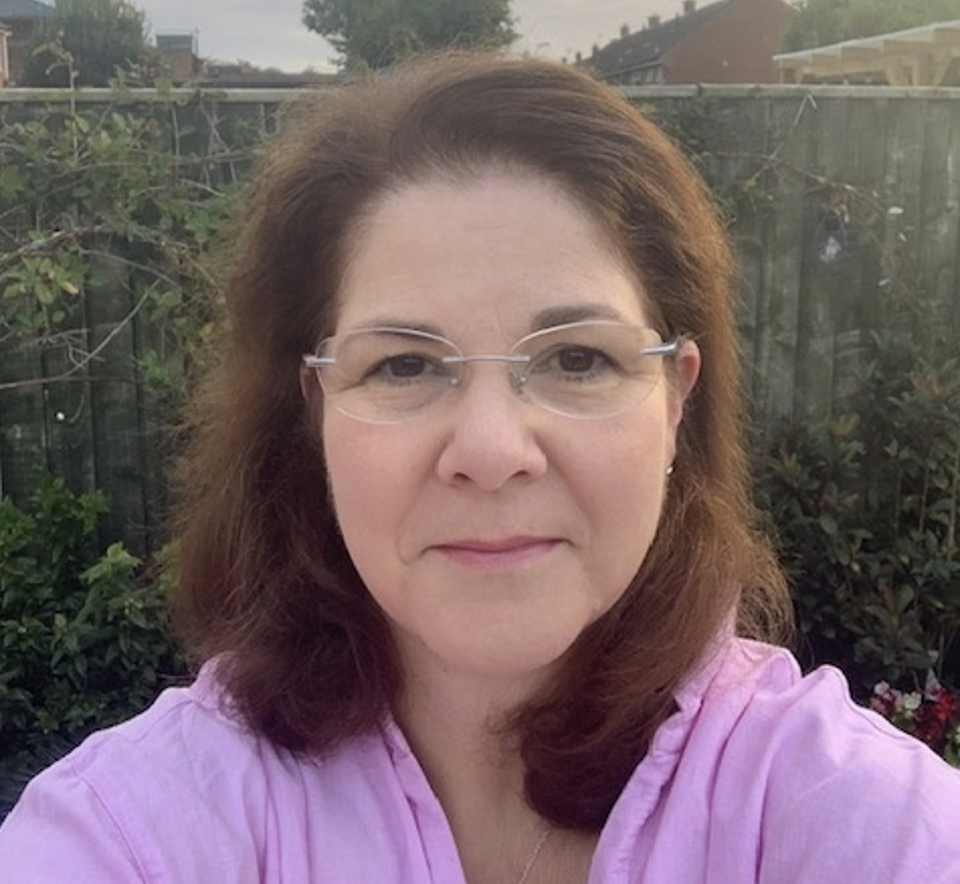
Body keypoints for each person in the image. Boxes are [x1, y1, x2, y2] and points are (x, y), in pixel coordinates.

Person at [1, 53, 958, 883]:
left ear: (676, 401)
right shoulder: (138, 833)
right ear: (314, 410)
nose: (493, 452)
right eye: (405, 365)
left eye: (577, 359)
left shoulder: (850, 819)